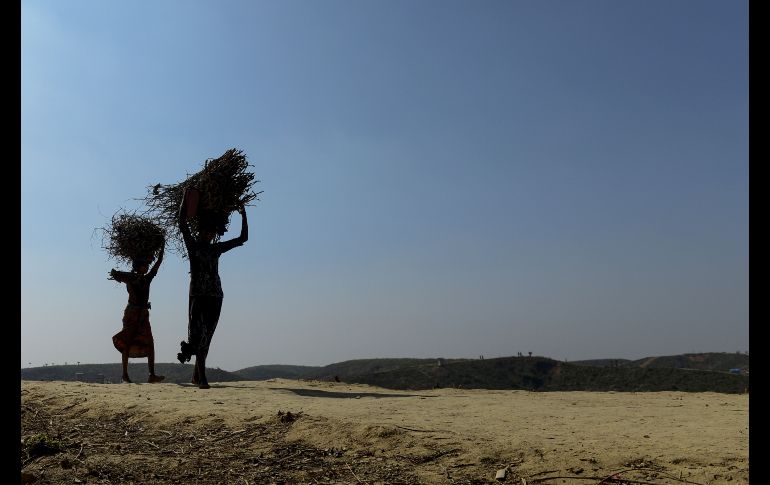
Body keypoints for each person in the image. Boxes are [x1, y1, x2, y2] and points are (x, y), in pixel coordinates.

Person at [177, 188, 248, 389]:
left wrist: (243, 214)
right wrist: (185, 198)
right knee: (198, 335)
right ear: (200, 230)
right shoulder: (193, 246)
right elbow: (182, 224)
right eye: (205, 231)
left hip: (216, 296)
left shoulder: (216, 248)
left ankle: (197, 376)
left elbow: (243, 238)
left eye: (211, 232)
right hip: (198, 295)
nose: (208, 234)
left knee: (206, 337)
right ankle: (203, 379)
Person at [109, 243, 166, 384]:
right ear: (138, 266)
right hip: (132, 314)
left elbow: (157, 264)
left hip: (143, 314)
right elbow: (115, 274)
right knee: (127, 343)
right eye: (144, 265)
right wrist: (117, 274)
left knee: (150, 343)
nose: (147, 267)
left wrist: (161, 250)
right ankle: (124, 375)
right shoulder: (130, 278)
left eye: (147, 265)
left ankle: (152, 374)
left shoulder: (147, 278)